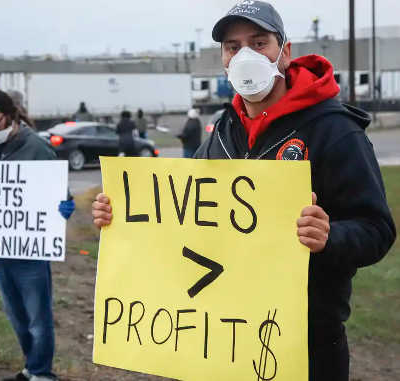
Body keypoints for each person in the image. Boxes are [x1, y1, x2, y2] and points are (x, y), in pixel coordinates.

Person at [91, 2, 396, 380]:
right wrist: (121, 216)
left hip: (304, 344)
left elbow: (377, 229)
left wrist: (330, 236)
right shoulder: (222, 131)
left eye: (259, 42)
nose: (245, 55)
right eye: (233, 47)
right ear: (223, 58)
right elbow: (182, 215)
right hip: (225, 336)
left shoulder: (334, 131)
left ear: (284, 53)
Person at [0, 89, 75, 381]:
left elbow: (59, 190)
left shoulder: (37, 147)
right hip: (1, 246)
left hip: (32, 248)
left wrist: (63, 206)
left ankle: (42, 372)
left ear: (10, 115)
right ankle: (31, 367)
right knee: (16, 316)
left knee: (37, 317)